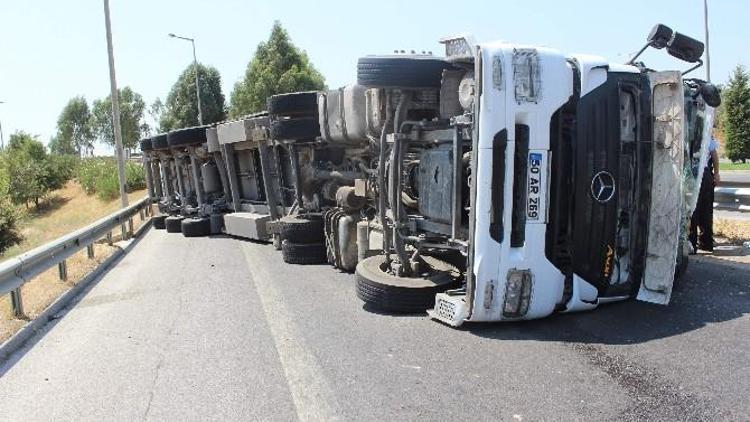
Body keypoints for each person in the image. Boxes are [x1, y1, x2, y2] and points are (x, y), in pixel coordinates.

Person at [689, 135, 720, 252]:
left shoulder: (686, 132)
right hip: (705, 174)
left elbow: (714, 154)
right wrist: (716, 173)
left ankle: (692, 243)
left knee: (692, 209)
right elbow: (714, 155)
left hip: (692, 173)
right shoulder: (706, 134)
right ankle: (706, 242)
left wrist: (716, 173)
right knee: (706, 210)